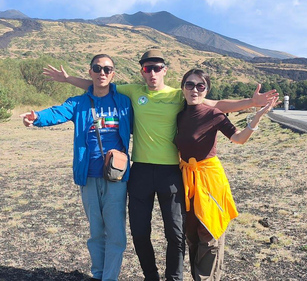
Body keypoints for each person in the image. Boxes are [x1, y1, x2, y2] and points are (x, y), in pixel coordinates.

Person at [42, 49, 278, 281]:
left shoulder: (179, 94)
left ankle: (174, 277)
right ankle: (151, 276)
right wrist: (67, 79)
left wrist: (251, 102)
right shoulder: (133, 92)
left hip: (171, 173)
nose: (152, 73)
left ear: (164, 70)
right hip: (141, 171)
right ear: (142, 72)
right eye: (147, 68)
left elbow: (218, 105)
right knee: (139, 232)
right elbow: (98, 85)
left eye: (157, 68)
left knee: (175, 233)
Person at [20, 54, 133, 281]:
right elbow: (57, 112)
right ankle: (98, 274)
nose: (102, 72)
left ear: (113, 74)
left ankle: (109, 278)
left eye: (107, 69)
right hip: (88, 176)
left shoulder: (123, 102)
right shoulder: (78, 103)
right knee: (96, 233)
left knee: (117, 234)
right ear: (90, 71)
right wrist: (37, 117)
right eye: (97, 68)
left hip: (116, 177)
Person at [175, 69, 277, 280]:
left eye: (200, 86)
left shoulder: (213, 114)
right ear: (183, 87)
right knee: (192, 236)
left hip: (210, 181)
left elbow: (238, 138)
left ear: (206, 90)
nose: (195, 89)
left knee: (209, 233)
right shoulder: (178, 114)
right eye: (190, 85)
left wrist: (256, 116)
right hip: (186, 181)